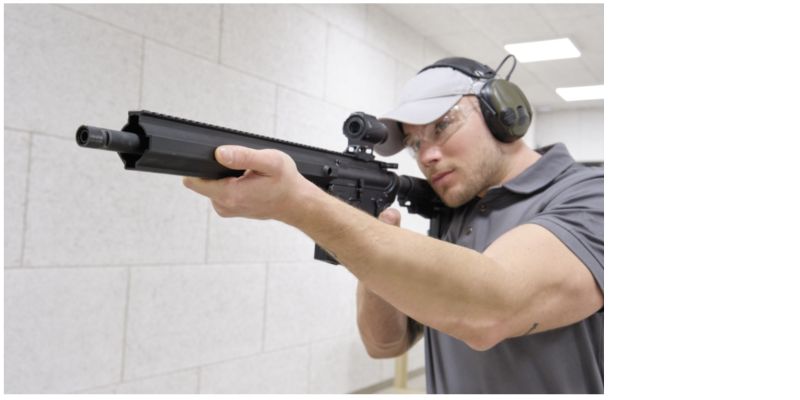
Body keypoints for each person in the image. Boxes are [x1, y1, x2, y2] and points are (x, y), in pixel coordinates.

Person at [183, 56, 604, 394]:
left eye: (442, 126)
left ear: (502, 112)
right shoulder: (452, 211)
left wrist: (301, 206)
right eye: (416, 143)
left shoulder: (592, 196)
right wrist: (374, 231)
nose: (427, 155)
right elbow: (384, 343)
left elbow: (490, 311)